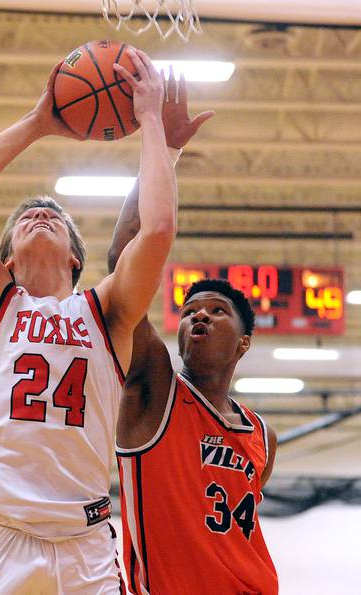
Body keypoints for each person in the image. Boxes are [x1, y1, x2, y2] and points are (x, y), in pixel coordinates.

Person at [0, 47, 176, 594]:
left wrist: (150, 124)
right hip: (1, 534)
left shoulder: (107, 312)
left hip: (85, 542)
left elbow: (158, 230)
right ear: (5, 262)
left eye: (54, 217)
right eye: (24, 217)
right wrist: (39, 121)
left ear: (76, 257)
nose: (39, 213)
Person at [107, 77, 278, 594]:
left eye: (217, 311)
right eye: (189, 311)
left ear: (243, 343)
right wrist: (164, 147)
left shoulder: (261, 434)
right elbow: (122, 262)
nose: (198, 317)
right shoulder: (154, 389)